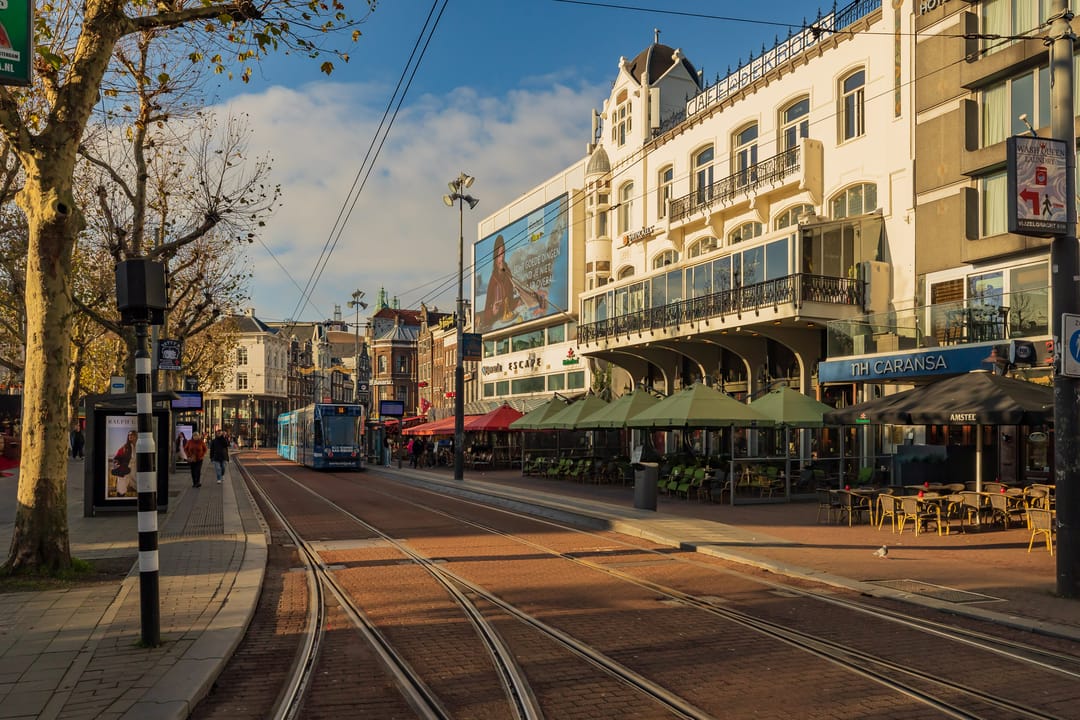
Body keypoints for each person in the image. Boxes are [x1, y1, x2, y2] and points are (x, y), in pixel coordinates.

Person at [479, 234, 547, 331]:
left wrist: (532, 297)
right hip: (498, 325)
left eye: (503, 253)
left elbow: (515, 294)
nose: (502, 257)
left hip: (511, 320)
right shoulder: (493, 281)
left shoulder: (507, 272)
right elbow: (486, 315)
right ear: (495, 257)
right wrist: (493, 311)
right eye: (499, 255)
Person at [110, 430, 137, 497]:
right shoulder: (126, 447)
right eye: (129, 435)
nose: (130, 436)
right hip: (125, 469)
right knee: (121, 487)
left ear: (136, 436)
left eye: (132, 435)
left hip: (135, 469)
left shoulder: (139, 446)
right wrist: (117, 462)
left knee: (137, 485)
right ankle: (120, 498)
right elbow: (117, 456)